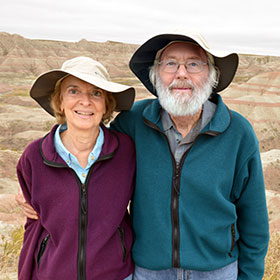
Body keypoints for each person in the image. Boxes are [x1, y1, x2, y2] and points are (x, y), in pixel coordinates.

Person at [17, 31, 270, 280]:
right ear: (156, 75)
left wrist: (249, 276)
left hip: (217, 272)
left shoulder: (238, 132)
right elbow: (89, 149)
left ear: (212, 75)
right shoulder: (134, 123)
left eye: (194, 64)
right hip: (149, 272)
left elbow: (254, 220)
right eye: (170, 63)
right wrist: (34, 186)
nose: (181, 73)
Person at [16, 56, 136, 280]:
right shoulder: (34, 156)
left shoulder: (126, 150)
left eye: (96, 93)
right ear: (60, 101)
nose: (85, 101)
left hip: (116, 275)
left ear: (106, 104)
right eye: (74, 91)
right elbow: (33, 224)